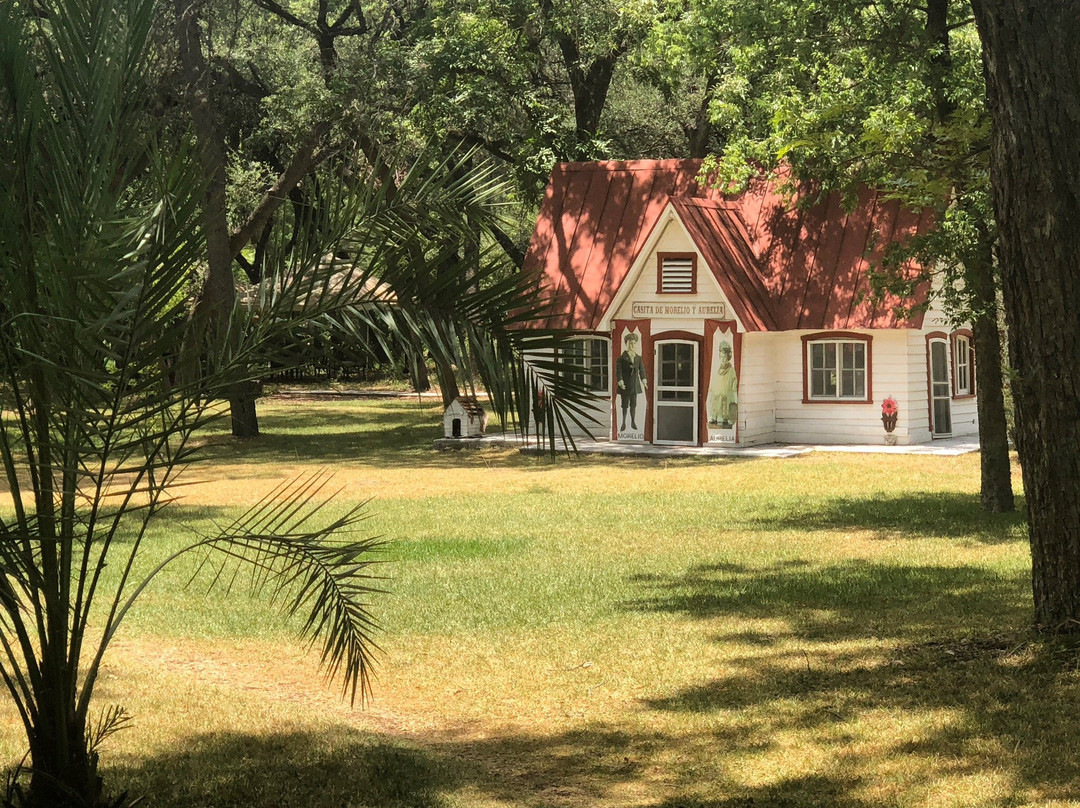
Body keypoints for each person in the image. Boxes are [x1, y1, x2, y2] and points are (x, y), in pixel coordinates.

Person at [616, 332, 647, 431]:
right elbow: (618, 371)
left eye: (634, 343)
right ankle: (624, 422)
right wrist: (620, 381)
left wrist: (644, 380)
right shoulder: (621, 358)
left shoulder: (638, 358)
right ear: (626, 344)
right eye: (629, 343)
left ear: (636, 344)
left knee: (633, 404)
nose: (632, 345)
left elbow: (641, 370)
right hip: (625, 385)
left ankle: (633, 421)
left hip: (635, 385)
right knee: (625, 404)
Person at [707, 340, 738, 428]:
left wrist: (733, 389)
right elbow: (715, 379)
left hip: (726, 390)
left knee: (724, 403)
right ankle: (714, 417)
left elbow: (733, 380)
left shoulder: (730, 370)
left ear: (728, 357)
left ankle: (724, 418)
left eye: (724, 357)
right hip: (717, 390)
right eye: (721, 357)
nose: (723, 359)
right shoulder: (718, 369)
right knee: (716, 402)